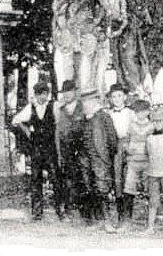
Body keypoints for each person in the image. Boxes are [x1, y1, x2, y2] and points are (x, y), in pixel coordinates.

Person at [12, 82, 66, 221]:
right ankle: (37, 213)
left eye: (44, 94)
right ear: (35, 95)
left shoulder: (53, 106)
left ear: (47, 94)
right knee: (36, 179)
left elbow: (62, 113)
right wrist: (26, 130)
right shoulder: (31, 107)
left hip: (50, 148)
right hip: (36, 148)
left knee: (56, 178)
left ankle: (60, 210)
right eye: (39, 94)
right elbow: (15, 120)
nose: (42, 97)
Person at [79, 89, 119, 232]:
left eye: (87, 102)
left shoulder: (104, 117)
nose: (84, 105)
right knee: (91, 188)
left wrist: (106, 157)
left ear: (95, 101)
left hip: (100, 159)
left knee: (103, 189)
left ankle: (108, 221)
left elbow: (112, 140)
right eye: (84, 102)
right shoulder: (84, 118)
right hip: (86, 159)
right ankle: (98, 220)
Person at [120, 99, 154, 227]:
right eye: (137, 111)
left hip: (147, 161)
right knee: (129, 188)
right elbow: (126, 141)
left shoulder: (152, 126)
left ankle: (150, 219)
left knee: (150, 188)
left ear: (148, 111)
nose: (140, 114)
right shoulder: (131, 125)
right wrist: (127, 148)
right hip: (133, 161)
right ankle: (127, 218)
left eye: (143, 111)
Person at [54, 79, 83, 220]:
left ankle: (85, 211)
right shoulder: (60, 110)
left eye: (69, 91)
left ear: (75, 92)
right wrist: (59, 153)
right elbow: (58, 133)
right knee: (68, 180)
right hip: (66, 150)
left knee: (83, 179)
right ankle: (69, 209)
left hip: (82, 149)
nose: (66, 94)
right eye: (64, 92)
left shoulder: (82, 108)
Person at [106, 83, 135, 222]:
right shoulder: (109, 114)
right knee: (117, 178)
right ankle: (120, 212)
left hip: (129, 143)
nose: (117, 99)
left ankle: (128, 213)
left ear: (124, 97)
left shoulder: (130, 113)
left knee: (129, 177)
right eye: (114, 96)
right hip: (115, 145)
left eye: (119, 96)